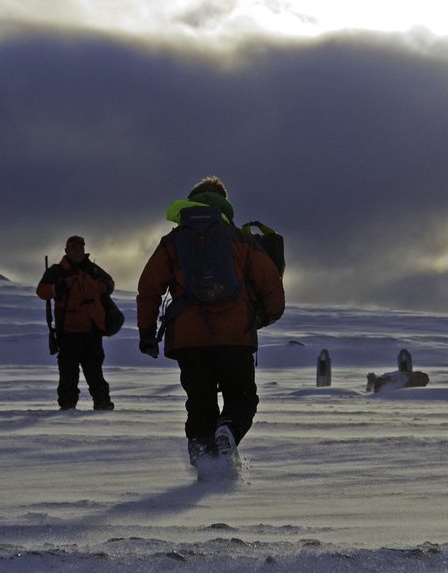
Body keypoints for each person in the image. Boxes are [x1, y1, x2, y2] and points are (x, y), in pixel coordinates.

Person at [137, 177, 285, 470]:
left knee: (200, 403)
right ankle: (228, 429)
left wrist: (146, 332)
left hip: (189, 340)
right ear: (223, 203)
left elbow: (149, 288)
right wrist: (265, 317)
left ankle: (205, 467)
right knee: (242, 398)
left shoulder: (174, 241)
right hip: (235, 337)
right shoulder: (240, 239)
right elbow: (271, 284)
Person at [36, 235, 117, 411]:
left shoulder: (92, 269)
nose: (78, 251)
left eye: (80, 248)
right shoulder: (57, 271)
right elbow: (41, 291)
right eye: (74, 248)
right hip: (68, 332)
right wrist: (59, 287)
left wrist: (101, 287)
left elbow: (110, 283)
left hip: (92, 331)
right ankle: (67, 406)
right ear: (67, 251)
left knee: (95, 371)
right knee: (68, 374)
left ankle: (102, 403)